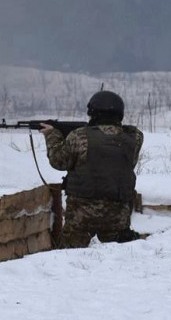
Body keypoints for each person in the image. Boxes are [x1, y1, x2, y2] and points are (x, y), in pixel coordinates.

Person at [40, 91, 144, 248]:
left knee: (69, 255)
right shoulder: (134, 138)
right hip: (118, 214)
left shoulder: (79, 136)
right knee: (119, 256)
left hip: (82, 213)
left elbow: (59, 161)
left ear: (94, 112)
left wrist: (52, 135)